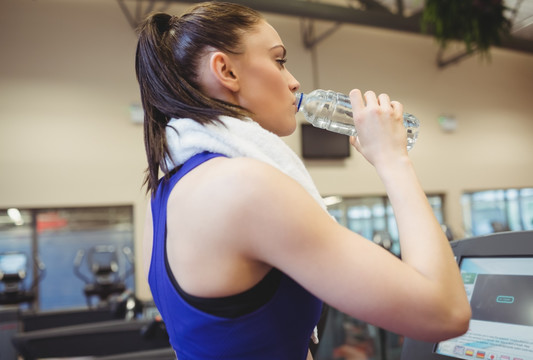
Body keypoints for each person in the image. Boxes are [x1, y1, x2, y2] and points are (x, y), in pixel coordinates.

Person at [135, 2, 471, 359]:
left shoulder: (162, 196)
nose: (294, 80)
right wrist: (394, 160)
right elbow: (445, 313)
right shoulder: (242, 187)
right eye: (279, 60)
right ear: (225, 70)